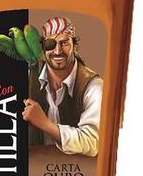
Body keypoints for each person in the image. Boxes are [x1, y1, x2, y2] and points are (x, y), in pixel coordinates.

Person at [23, 17, 103, 157]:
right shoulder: (30, 78)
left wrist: (45, 124)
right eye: (50, 44)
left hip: (79, 168)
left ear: (74, 46)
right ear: (43, 49)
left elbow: (93, 142)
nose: (57, 51)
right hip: (35, 166)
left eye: (64, 43)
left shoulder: (93, 85)